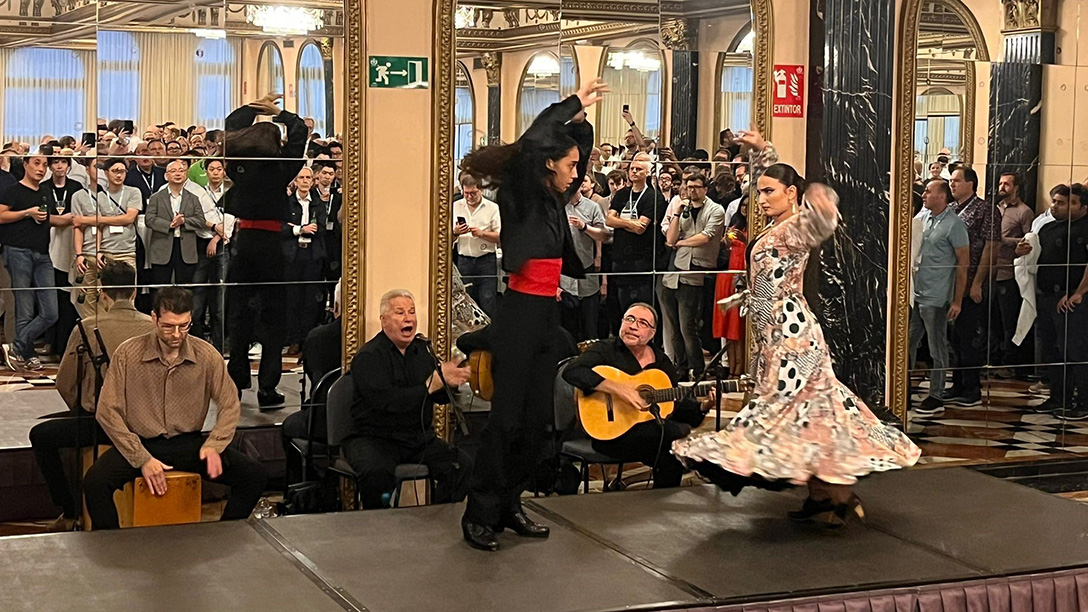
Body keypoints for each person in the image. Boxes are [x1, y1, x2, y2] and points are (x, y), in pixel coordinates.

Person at [673, 164, 920, 529]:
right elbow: (770, 279)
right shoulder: (776, 228)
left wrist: (823, 203)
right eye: (759, 192)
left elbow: (820, 225)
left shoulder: (793, 229)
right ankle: (824, 498)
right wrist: (747, 296)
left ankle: (839, 495)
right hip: (774, 334)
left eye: (770, 191)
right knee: (808, 417)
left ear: (791, 193)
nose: (761, 200)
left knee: (799, 413)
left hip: (793, 336)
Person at [458, 78, 607, 551]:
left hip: (547, 313)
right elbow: (531, 143)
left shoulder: (554, 198)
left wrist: (579, 127)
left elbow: (569, 153)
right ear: (547, 164)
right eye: (569, 166)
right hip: (520, 312)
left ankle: (510, 503)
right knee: (505, 420)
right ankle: (479, 514)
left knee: (539, 422)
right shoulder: (521, 191)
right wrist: (570, 104)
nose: (576, 174)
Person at [84, 287, 268, 530]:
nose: (177, 334)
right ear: (154, 318)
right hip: (142, 442)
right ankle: (114, 544)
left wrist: (215, 444)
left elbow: (229, 402)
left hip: (189, 444)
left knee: (253, 475)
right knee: (95, 483)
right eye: (168, 326)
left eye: (184, 326)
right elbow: (107, 411)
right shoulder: (128, 354)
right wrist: (141, 458)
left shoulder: (206, 355)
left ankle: (224, 533)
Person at [30, 262, 153, 531]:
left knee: (41, 435)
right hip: (148, 424)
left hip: (99, 423)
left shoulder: (87, 326)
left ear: (103, 293)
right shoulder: (153, 327)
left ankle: (70, 509)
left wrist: (83, 406)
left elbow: (65, 383)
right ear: (134, 291)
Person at [344, 289, 472, 508]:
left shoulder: (423, 351)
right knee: (376, 473)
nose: (408, 318)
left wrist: (449, 383)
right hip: (375, 438)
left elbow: (438, 396)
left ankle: (439, 516)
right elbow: (388, 402)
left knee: (462, 465)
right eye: (400, 312)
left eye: (412, 312)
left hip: (417, 439)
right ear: (384, 320)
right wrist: (430, 385)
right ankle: (377, 528)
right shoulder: (369, 357)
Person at [563, 303, 714, 488]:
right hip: (609, 433)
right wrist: (617, 388)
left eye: (642, 323)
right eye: (630, 319)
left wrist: (703, 406)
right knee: (671, 436)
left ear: (652, 333)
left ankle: (659, 505)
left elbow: (674, 404)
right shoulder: (605, 349)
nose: (633, 326)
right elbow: (572, 372)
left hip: (649, 435)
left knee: (671, 451)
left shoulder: (661, 362)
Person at [222, 93, 308, 408]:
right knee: (275, 317)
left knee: (238, 313)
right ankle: (268, 387)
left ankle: (238, 378)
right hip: (272, 244)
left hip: (244, 242)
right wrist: (280, 113)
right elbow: (300, 135)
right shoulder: (281, 166)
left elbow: (231, 127)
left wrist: (252, 109)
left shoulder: (238, 163)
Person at [1015, 183, 1088, 420]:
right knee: (1052, 351)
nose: (1055, 206)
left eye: (1065, 202)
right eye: (1054, 201)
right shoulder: (1048, 227)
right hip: (1047, 296)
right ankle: (1059, 397)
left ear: (1082, 207)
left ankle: (1083, 402)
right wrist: (1023, 250)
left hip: (1072, 300)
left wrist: (1078, 292)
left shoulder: (1085, 228)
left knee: (1074, 352)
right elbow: (1037, 255)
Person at [0, 152, 71, 370]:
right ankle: (26, 353)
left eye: (44, 165)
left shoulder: (46, 192)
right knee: (25, 307)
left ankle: (17, 346)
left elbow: (47, 219)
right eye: (37, 164)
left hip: (42, 253)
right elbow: (2, 216)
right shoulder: (12, 190)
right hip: (17, 251)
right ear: (26, 164)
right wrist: (26, 213)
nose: (41, 169)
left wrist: (72, 220)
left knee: (51, 311)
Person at [909, 179, 969, 417]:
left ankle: (936, 395)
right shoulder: (923, 220)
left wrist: (957, 300)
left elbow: (963, 264)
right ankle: (904, 388)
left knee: (937, 347)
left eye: (928, 191)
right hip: (916, 292)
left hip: (937, 295)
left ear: (942, 197)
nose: (923, 194)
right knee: (908, 343)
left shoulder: (955, 225)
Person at [659, 171, 725, 380]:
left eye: (696, 187)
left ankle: (698, 370)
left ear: (705, 189)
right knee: (674, 325)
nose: (692, 191)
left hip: (696, 270)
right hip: (675, 269)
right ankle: (680, 367)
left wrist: (682, 243)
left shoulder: (715, 210)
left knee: (688, 325)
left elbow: (705, 237)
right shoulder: (682, 207)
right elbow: (670, 238)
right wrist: (677, 213)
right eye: (689, 187)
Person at [946, 166, 1000, 406]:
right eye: (951, 181)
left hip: (972, 284)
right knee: (955, 338)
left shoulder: (985, 209)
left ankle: (971, 388)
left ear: (971, 183)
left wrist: (977, 282)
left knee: (970, 338)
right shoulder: (950, 210)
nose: (952, 184)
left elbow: (991, 247)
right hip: (951, 284)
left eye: (957, 180)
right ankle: (957, 384)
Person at [146, 159, 206, 288]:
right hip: (162, 247)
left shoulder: (193, 198)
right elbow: (149, 219)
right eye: (173, 171)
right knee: (160, 287)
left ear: (185, 175)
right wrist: (169, 224)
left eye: (181, 170)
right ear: (166, 176)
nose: (178, 174)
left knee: (185, 288)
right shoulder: (156, 197)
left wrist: (184, 221)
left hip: (186, 249)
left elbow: (201, 221)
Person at [453, 172, 501, 317]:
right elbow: (443, 238)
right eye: (466, 193)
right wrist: (455, 232)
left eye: (473, 193)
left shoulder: (492, 208)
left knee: (488, 302)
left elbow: (500, 237)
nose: (469, 197)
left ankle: (489, 337)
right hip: (464, 261)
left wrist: (482, 234)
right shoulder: (455, 206)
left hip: (486, 260)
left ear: (480, 189)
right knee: (465, 303)